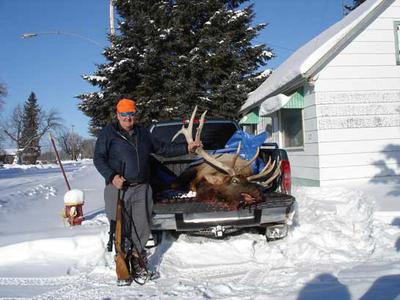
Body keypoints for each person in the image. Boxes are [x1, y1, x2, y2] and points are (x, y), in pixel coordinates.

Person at [93, 98, 199, 284]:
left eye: (131, 114)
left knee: (141, 227)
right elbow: (98, 159)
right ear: (117, 115)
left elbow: (163, 149)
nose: (127, 118)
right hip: (118, 188)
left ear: (135, 114)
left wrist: (186, 148)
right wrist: (112, 176)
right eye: (123, 114)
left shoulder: (143, 133)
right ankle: (122, 263)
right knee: (120, 229)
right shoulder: (108, 134)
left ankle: (138, 261)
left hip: (142, 187)